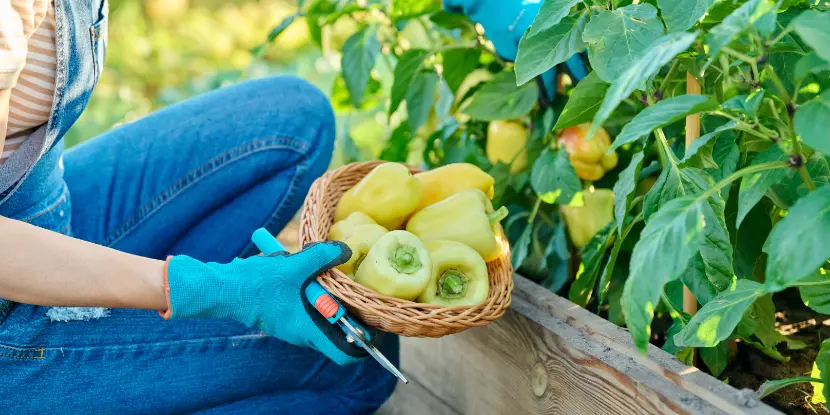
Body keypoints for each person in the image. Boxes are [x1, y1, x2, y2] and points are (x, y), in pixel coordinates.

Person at [0, 0, 583, 413]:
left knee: (290, 126)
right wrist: (205, 288)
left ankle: (137, 355)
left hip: (44, 211)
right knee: (349, 369)